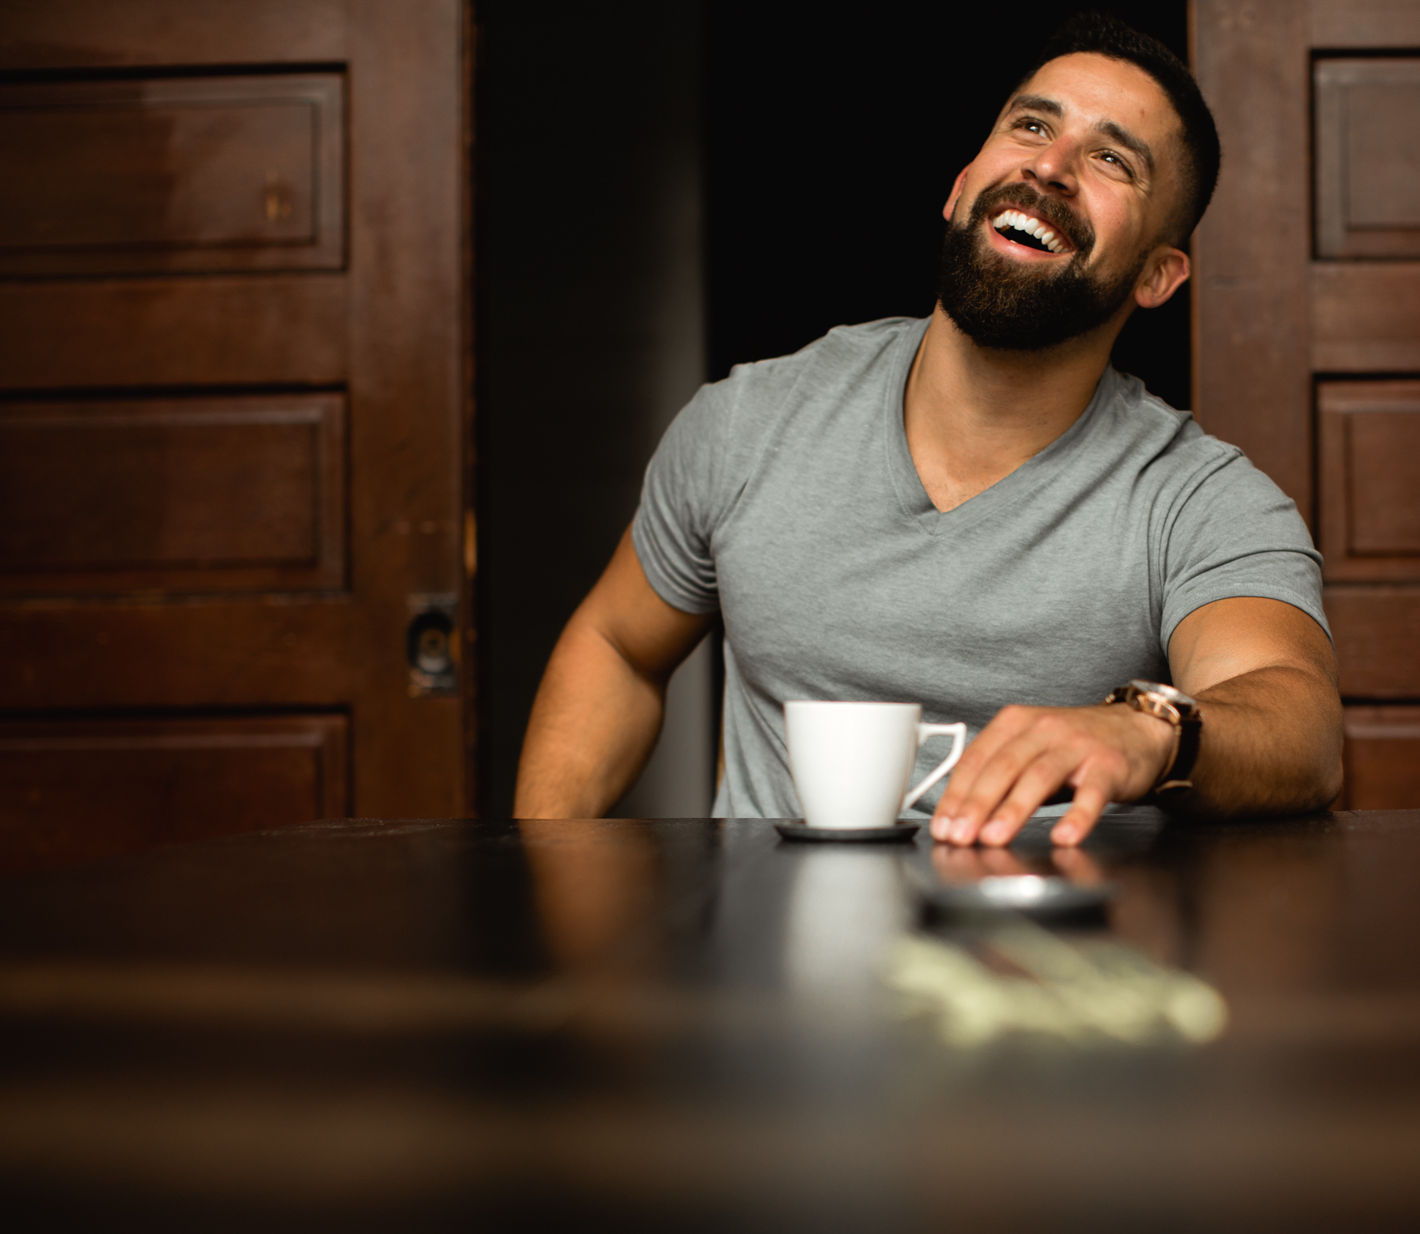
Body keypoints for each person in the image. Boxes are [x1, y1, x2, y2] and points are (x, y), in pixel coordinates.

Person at [515, 13, 1342, 847]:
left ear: (1160, 275)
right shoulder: (747, 425)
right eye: (1030, 125)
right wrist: (547, 885)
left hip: (1040, 967)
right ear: (960, 188)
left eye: (1111, 160)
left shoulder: (1196, 497)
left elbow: (1299, 726)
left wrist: (1148, 731)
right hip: (758, 965)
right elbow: (617, 645)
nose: (1050, 166)